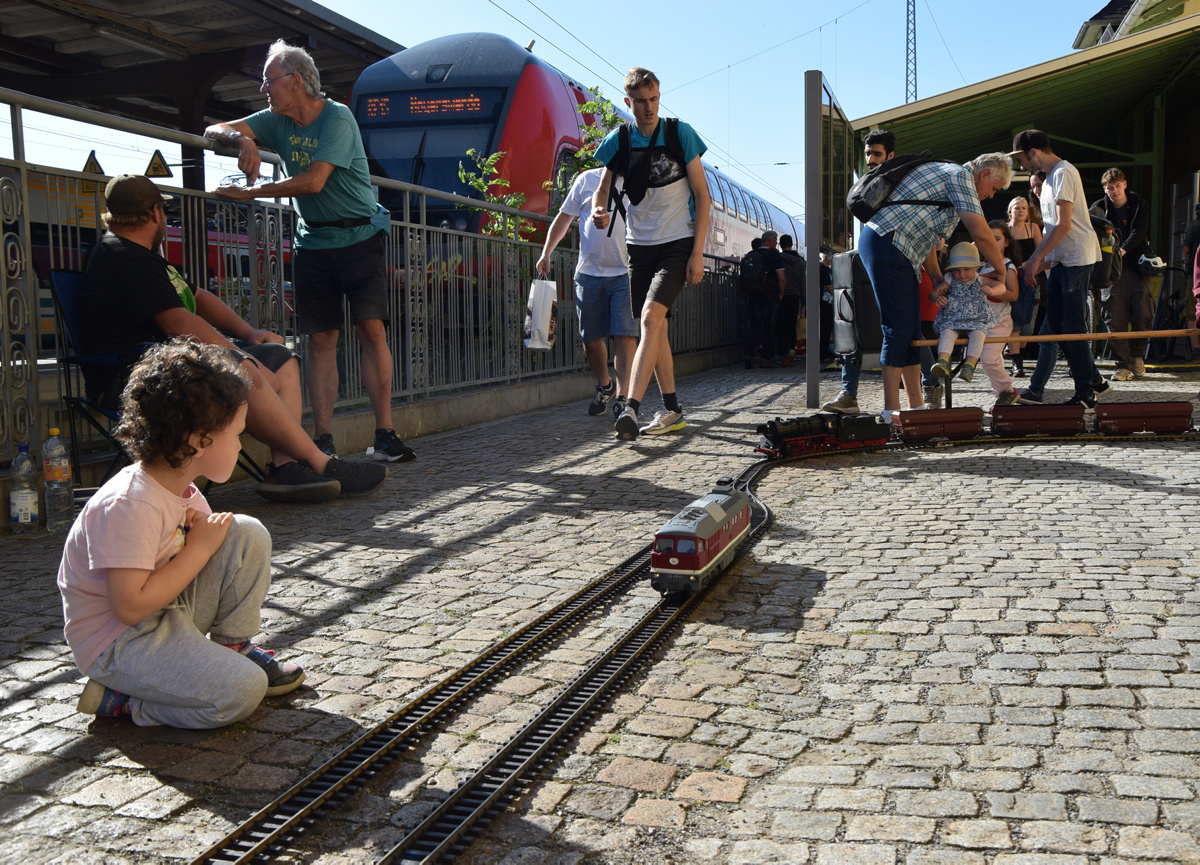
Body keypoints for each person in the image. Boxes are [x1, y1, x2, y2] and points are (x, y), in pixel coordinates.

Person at [78, 174, 387, 502]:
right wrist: (241, 355)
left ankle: (286, 469)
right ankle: (321, 462)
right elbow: (176, 320)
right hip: (129, 381)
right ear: (156, 213)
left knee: (281, 359)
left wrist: (249, 334)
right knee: (242, 367)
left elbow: (197, 297)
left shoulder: (142, 256)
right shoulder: (122, 256)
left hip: (166, 368)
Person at [59, 339, 305, 727]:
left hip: (165, 614)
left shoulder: (184, 490)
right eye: (237, 433)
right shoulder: (129, 504)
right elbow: (129, 607)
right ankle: (121, 700)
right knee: (243, 691)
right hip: (120, 644)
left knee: (245, 532)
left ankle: (234, 647)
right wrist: (198, 550)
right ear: (198, 439)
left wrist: (200, 546)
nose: (243, 443)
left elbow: (192, 560)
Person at [205, 40, 414, 463]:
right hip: (312, 240)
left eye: (268, 81)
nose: (263, 89)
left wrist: (253, 192)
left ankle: (385, 434)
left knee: (371, 330)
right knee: (320, 338)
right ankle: (323, 439)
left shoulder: (338, 117)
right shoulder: (275, 120)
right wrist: (241, 141)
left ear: (295, 82)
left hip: (359, 237)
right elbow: (212, 129)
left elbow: (315, 181)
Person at [591, 67, 711, 440]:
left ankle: (631, 408)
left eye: (654, 99)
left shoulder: (679, 134)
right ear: (628, 102)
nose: (648, 108)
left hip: (677, 243)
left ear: (660, 96)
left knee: (648, 319)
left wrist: (698, 253)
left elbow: (704, 197)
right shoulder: (619, 140)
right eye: (640, 101)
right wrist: (599, 210)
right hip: (638, 247)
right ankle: (673, 410)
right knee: (656, 327)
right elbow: (603, 188)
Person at [858, 151, 1010, 423]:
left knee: (912, 329)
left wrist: (938, 277)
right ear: (984, 174)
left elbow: (929, 238)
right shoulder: (960, 176)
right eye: (994, 188)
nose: (990, 195)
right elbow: (981, 234)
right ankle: (890, 410)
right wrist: (1001, 272)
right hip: (887, 243)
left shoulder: (951, 185)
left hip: (899, 249)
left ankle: (915, 406)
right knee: (896, 328)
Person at [1012, 130, 1104, 408]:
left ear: (1034, 152)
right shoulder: (1051, 178)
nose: (1021, 166)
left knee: (1071, 326)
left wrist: (1035, 260)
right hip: (1064, 260)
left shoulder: (1063, 173)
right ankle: (1094, 381)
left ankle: (1086, 392)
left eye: (1021, 159)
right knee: (1057, 329)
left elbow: (1064, 225)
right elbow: (1056, 227)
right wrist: (1042, 260)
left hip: (1076, 258)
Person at [537, 167, 638, 416]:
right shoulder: (586, 180)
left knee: (624, 336)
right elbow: (563, 218)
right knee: (590, 340)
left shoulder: (640, 180)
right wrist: (546, 252)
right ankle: (606, 387)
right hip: (589, 273)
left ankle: (624, 401)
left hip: (626, 273)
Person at [822, 129, 896, 415]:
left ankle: (929, 386)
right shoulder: (866, 182)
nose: (870, 159)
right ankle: (848, 393)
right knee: (848, 321)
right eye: (867, 154)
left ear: (890, 154)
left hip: (894, 261)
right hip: (868, 260)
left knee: (903, 326)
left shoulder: (898, 181)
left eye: (876, 153)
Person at [1089, 168, 1152, 380]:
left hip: (1135, 265)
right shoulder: (1097, 209)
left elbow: (1139, 231)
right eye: (1109, 188)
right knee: (1114, 317)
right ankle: (1122, 365)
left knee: (1143, 313)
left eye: (1117, 186)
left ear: (1124, 184)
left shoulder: (1138, 204)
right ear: (1104, 189)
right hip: (1109, 269)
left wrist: (1122, 250)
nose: (1114, 191)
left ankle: (1137, 356)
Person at [929, 242, 1008, 383]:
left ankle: (969, 366)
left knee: (978, 335)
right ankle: (942, 361)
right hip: (953, 319)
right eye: (957, 270)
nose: (962, 274)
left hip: (976, 320)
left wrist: (993, 291)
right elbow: (934, 292)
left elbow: (1001, 286)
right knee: (947, 333)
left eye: (966, 269)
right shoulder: (949, 279)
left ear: (976, 267)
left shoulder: (981, 279)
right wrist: (937, 297)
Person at [1005, 195, 1043, 377]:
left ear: (1028, 213)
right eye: (1016, 207)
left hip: (1029, 279)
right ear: (1010, 211)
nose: (1020, 210)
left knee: (1027, 327)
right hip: (1009, 279)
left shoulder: (1033, 228)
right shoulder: (1004, 230)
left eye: (1024, 208)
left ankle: (1013, 352)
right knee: (1014, 325)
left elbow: (1042, 252)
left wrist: (1031, 266)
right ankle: (1016, 364)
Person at [741, 230, 785, 368]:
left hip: (753, 295)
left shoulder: (752, 255)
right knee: (769, 327)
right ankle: (766, 358)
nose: (776, 243)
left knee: (754, 326)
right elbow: (781, 278)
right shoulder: (774, 255)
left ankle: (749, 355)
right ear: (771, 241)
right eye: (776, 241)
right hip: (770, 295)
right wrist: (781, 293)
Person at [775, 234, 805, 366]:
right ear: (792, 244)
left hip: (781, 295)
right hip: (795, 297)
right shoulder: (800, 262)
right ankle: (791, 350)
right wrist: (804, 302)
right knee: (792, 324)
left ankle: (782, 353)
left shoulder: (778, 259)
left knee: (781, 325)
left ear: (780, 245)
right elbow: (803, 283)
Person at [1182, 204, 1200, 351]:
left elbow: (1186, 250)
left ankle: (1195, 348)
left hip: (1194, 274)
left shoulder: (1194, 225)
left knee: (1192, 312)